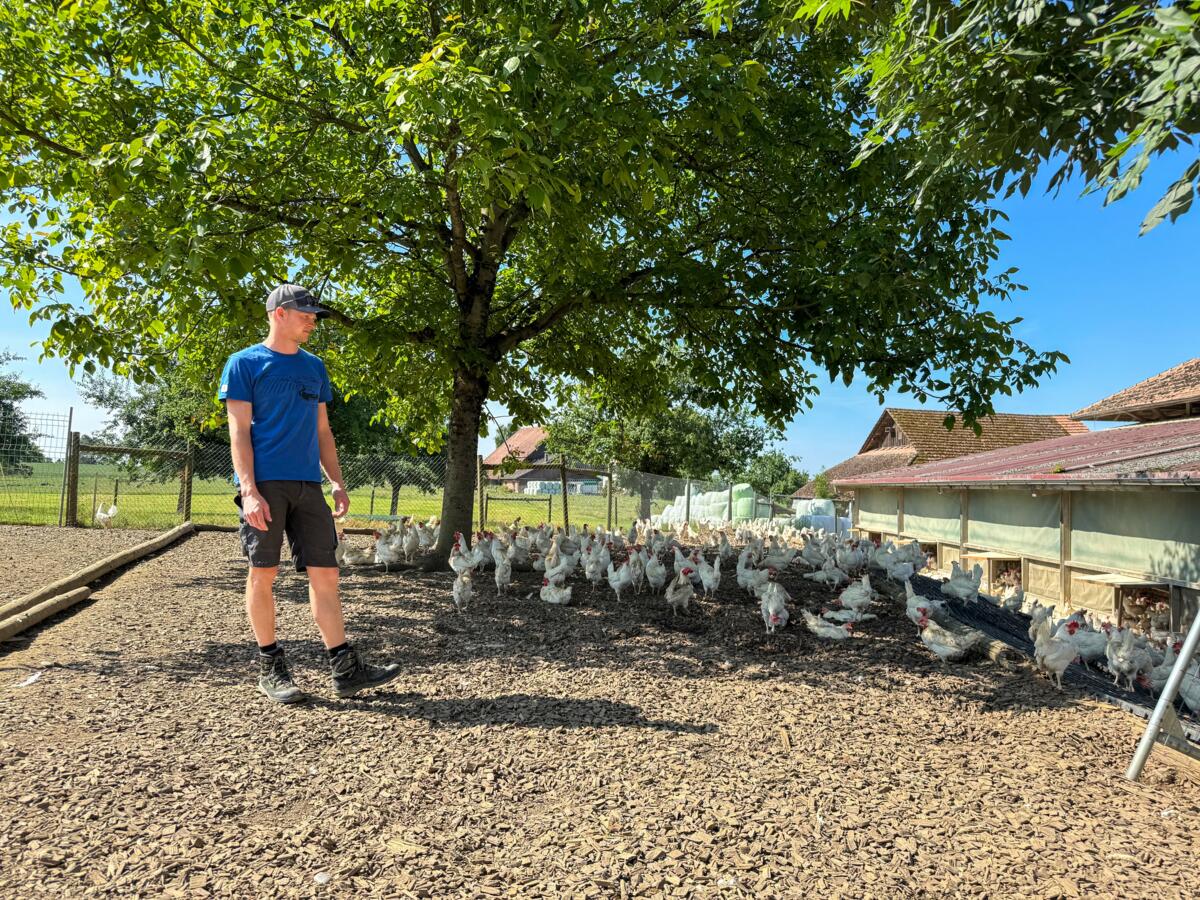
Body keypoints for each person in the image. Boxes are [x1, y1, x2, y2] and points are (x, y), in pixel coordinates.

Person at [218, 283, 400, 703]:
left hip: (308, 486)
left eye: (314, 315)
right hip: (264, 486)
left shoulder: (314, 367)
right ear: (280, 313)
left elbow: (323, 432)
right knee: (264, 574)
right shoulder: (244, 364)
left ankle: (344, 668)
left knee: (327, 576)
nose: (312, 321)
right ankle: (271, 667)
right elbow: (238, 432)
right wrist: (248, 490)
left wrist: (336, 481)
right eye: (306, 314)